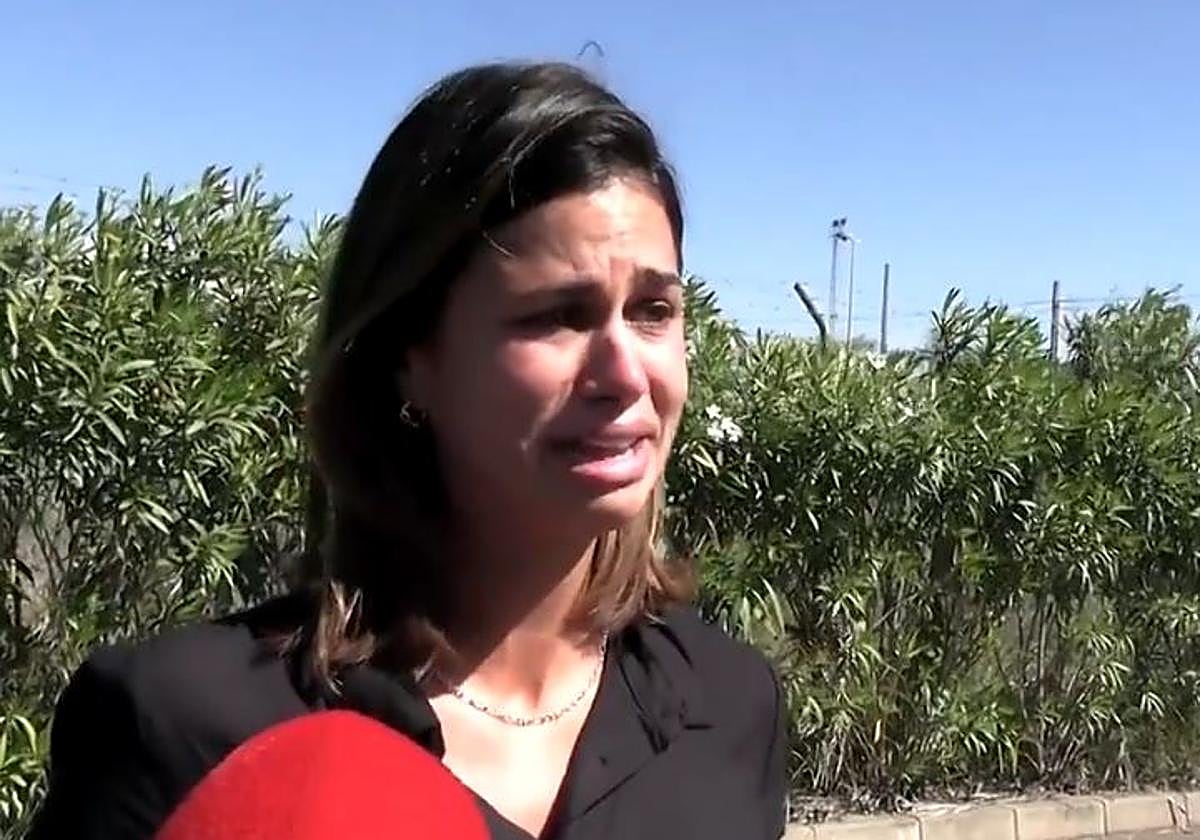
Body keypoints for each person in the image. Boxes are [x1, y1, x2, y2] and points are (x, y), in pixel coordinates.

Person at [29, 60, 788, 840]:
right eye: (558, 316)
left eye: (653, 310)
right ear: (409, 357)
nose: (626, 374)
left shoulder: (732, 708)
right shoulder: (183, 729)